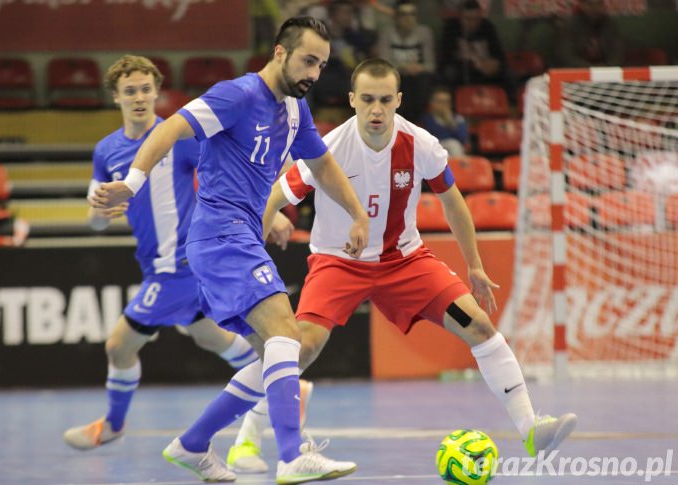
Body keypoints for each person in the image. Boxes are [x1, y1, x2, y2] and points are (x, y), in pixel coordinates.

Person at [91, 17, 369, 484]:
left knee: (273, 358)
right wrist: (131, 183)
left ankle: (192, 445)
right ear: (280, 53)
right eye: (307, 60)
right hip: (221, 234)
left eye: (321, 64)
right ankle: (291, 454)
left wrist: (358, 214)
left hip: (239, 237)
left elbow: (322, 164)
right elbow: (170, 129)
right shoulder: (237, 95)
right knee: (286, 333)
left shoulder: (295, 111)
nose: (315, 73)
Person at [262, 58, 578, 463]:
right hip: (338, 263)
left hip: (404, 262)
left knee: (479, 325)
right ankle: (258, 436)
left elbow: (452, 201)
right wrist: (259, 242)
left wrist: (475, 265)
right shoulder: (328, 150)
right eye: (368, 100)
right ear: (352, 100)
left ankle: (531, 428)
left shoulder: (421, 144)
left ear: (398, 100)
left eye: (385, 100)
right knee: (298, 349)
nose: (376, 110)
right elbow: (275, 197)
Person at [62, 55, 298, 452]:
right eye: (129, 91)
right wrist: (102, 211)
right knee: (214, 339)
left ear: (156, 92)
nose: (139, 98)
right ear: (115, 98)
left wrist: (266, 214)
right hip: (158, 266)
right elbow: (96, 221)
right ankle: (287, 380)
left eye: (145, 89)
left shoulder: (179, 138)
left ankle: (115, 425)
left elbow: (229, 172)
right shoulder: (106, 151)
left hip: (181, 267)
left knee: (118, 346)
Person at [438, 0, 516, 101]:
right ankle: (454, 107)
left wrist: (495, 63)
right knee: (449, 73)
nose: (473, 23)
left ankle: (510, 106)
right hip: (462, 70)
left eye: (476, 19)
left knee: (508, 73)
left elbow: (499, 55)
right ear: (460, 18)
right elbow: (445, 59)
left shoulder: (487, 26)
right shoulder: (451, 28)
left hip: (485, 71)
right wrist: (476, 64)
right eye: (468, 19)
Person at [377, 0, 436, 122]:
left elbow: (431, 65)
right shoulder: (387, 33)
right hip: (396, 77)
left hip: (418, 78)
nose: (408, 18)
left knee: (422, 80)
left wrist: (418, 68)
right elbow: (383, 64)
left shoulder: (424, 33)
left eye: (412, 14)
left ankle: (417, 122)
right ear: (396, 17)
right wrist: (403, 67)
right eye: (404, 14)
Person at [553, 0, 624, 68]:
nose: (595, 8)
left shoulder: (609, 24)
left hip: (607, 72)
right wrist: (591, 69)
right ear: (581, 5)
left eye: (598, 4)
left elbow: (618, 54)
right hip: (577, 72)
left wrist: (607, 68)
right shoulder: (569, 25)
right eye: (590, 4)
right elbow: (566, 56)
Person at [421, 85, 469, 156]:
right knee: (453, 144)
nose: (443, 105)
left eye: (446, 102)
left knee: (454, 145)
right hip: (433, 149)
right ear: (431, 103)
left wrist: (450, 121)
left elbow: (463, 138)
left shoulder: (458, 119)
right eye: (440, 101)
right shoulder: (427, 119)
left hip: (455, 149)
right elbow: (434, 136)